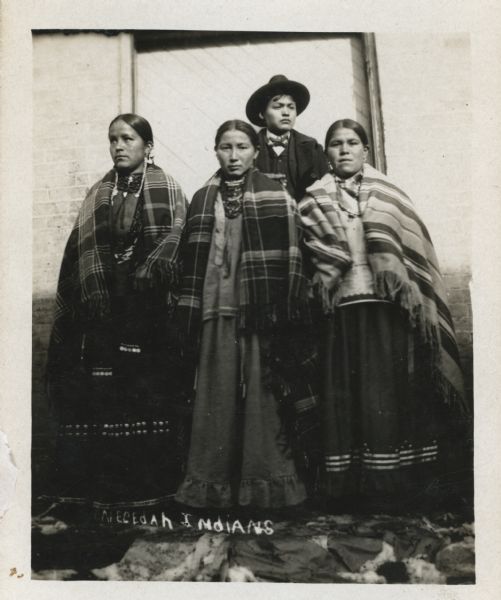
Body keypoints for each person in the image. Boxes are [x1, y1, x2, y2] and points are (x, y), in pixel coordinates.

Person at [298, 118, 468, 512]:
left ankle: (395, 485)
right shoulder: (312, 200)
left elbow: (414, 256)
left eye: (352, 142)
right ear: (326, 153)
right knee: (345, 394)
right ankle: (351, 488)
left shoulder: (391, 196)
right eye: (336, 144)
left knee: (386, 393)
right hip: (340, 310)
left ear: (366, 151)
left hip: (386, 310)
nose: (344, 150)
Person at [45, 113, 189, 517]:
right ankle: (100, 493)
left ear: (148, 145)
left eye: (128, 138)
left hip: (148, 306)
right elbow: (79, 252)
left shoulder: (167, 187)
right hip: (106, 306)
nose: (119, 146)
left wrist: (148, 270)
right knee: (103, 394)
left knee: (145, 393)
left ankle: (149, 492)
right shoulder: (97, 194)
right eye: (113, 139)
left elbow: (178, 236)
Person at [174, 119, 318, 509]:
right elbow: (191, 257)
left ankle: (267, 486)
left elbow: (292, 258)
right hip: (215, 307)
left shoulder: (276, 194)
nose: (233, 155)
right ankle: (212, 486)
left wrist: (277, 308)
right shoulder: (203, 198)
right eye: (225, 147)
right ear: (216, 150)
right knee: (215, 396)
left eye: (241, 147)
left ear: (255, 151)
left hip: (258, 310)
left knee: (262, 397)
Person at [245, 74, 329, 202]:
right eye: (278, 106)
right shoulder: (247, 147)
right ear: (262, 114)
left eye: (291, 107)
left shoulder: (312, 148)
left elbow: (326, 192)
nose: (286, 112)